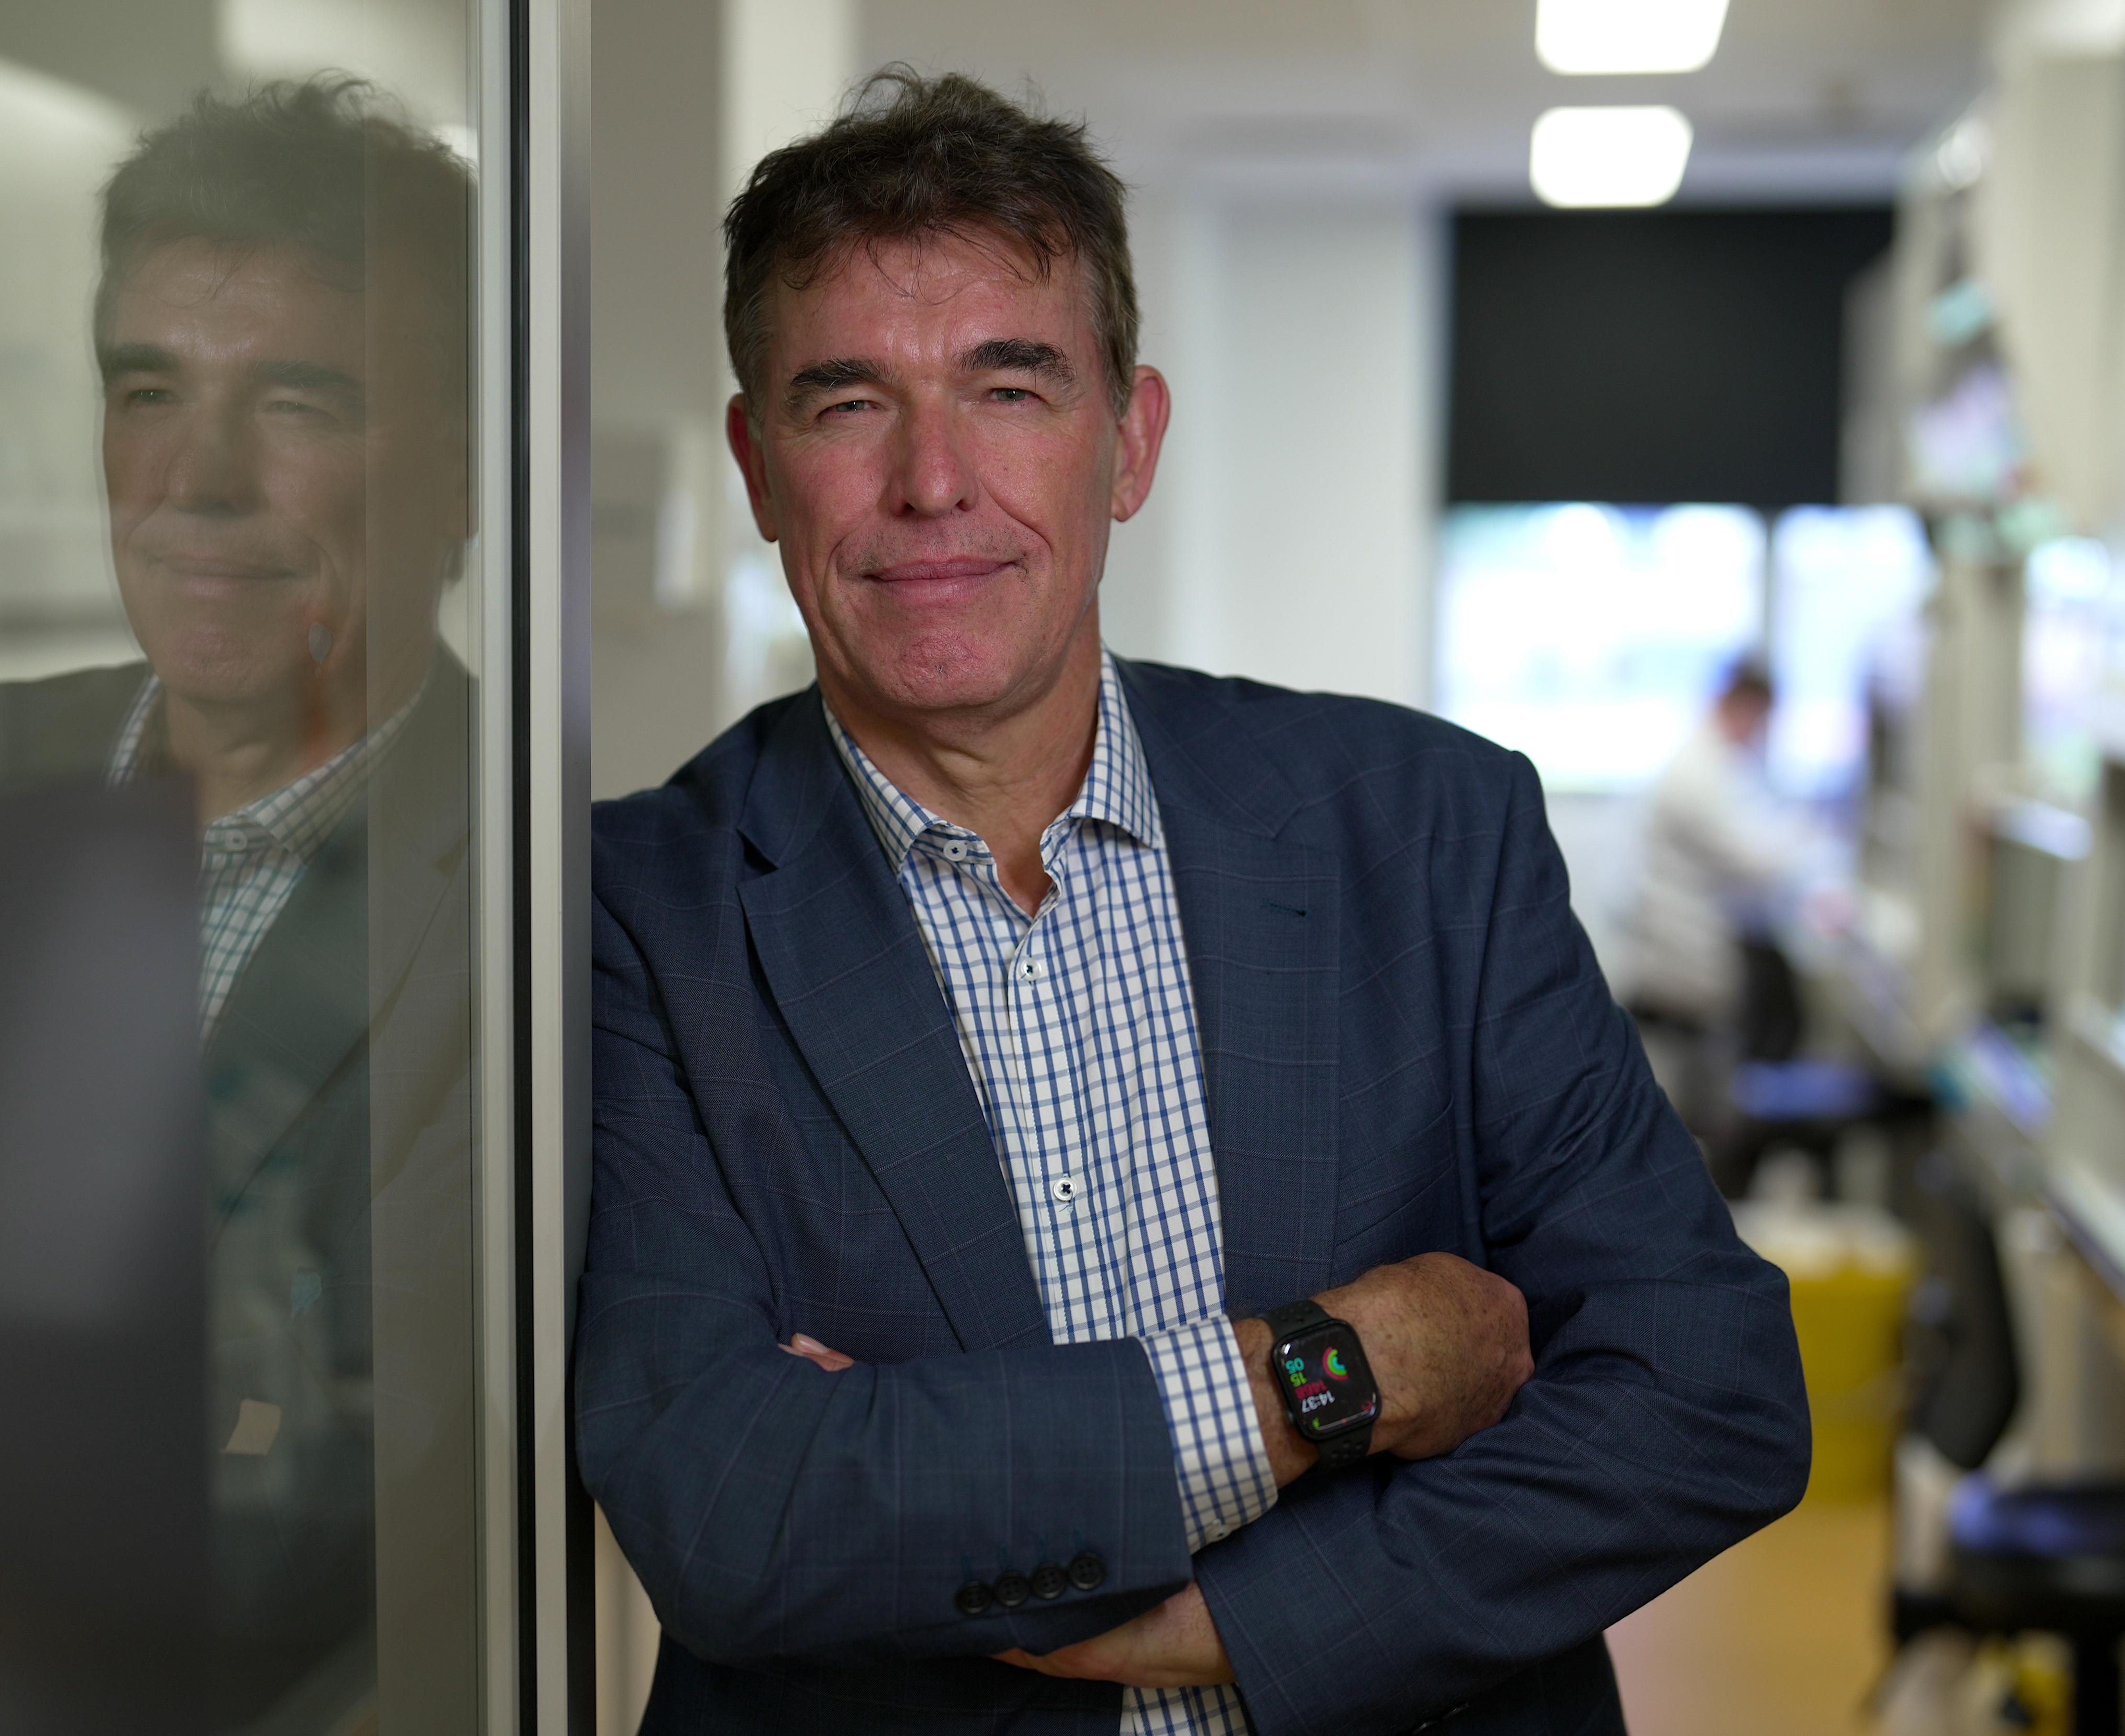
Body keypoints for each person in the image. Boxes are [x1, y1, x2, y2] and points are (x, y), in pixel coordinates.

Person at [582, 69, 1810, 1736]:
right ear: (755, 461)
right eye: (846, 402)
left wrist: (1241, 1618)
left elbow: (1708, 1392)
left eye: (1010, 387)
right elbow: (737, 1517)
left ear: (1130, 439)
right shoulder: (634, 913)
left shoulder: (1428, 829)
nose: (933, 481)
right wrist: (1337, 1371)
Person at [0, 79, 481, 1734]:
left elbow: (335, 1504)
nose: (196, 479)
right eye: (148, 387)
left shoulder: (541, 901)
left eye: (298, 400)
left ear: (458, 467)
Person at [1622, 660, 1807, 1145]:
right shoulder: (1698, 771)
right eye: (1763, 721)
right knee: (1703, 1101)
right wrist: (1809, 833)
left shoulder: (1716, 762)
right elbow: (1753, 858)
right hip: (1684, 959)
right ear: (1745, 707)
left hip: (1692, 948)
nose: (1763, 735)